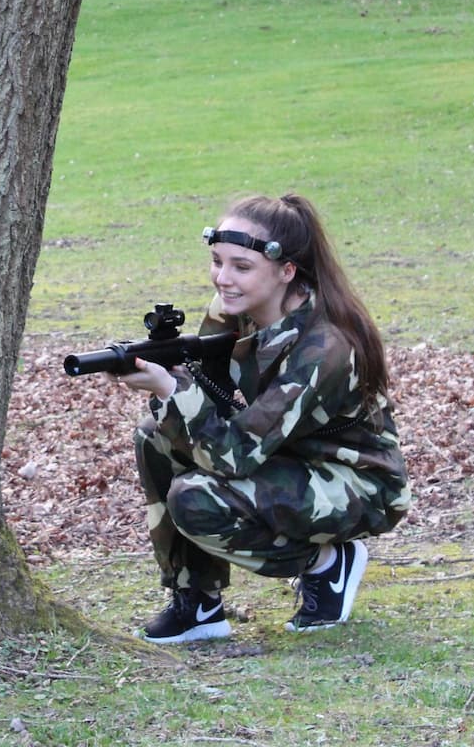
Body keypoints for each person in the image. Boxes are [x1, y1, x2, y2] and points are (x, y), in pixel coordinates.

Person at [119, 193, 410, 643]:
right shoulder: (232, 314)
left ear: (286, 271)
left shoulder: (325, 347)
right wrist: (169, 380)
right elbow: (209, 400)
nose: (223, 278)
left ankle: (328, 565)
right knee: (155, 435)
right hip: (285, 459)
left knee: (195, 499)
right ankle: (197, 601)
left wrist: (170, 390)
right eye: (217, 261)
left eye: (241, 266)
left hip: (357, 482)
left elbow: (234, 456)